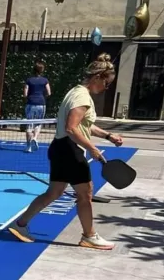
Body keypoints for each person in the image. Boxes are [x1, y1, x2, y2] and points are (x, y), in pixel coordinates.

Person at [7, 53, 125, 250]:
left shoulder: (76, 92)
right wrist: (92, 149)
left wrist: (108, 136)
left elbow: (85, 125)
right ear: (97, 78)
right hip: (70, 150)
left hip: (60, 148)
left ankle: (20, 224)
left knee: (54, 192)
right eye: (107, 84)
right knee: (85, 193)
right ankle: (89, 236)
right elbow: (72, 127)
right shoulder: (82, 97)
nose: (106, 88)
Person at [22, 62, 51, 152]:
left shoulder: (29, 80)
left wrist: (30, 97)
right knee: (38, 124)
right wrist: (41, 97)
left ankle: (28, 147)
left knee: (29, 125)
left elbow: (25, 94)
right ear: (42, 70)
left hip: (30, 103)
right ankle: (35, 137)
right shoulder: (45, 80)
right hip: (41, 104)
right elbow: (49, 92)